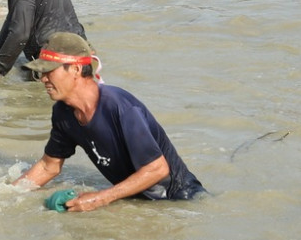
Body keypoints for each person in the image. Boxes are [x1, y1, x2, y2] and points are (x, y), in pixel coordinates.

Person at [14, 32, 204, 209]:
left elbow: (158, 169)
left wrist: (100, 198)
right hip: (137, 201)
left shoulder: (121, 108)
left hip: (179, 201)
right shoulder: (62, 113)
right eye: (40, 73)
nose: (43, 79)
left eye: (49, 71)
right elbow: (49, 166)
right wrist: (8, 193)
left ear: (76, 69)